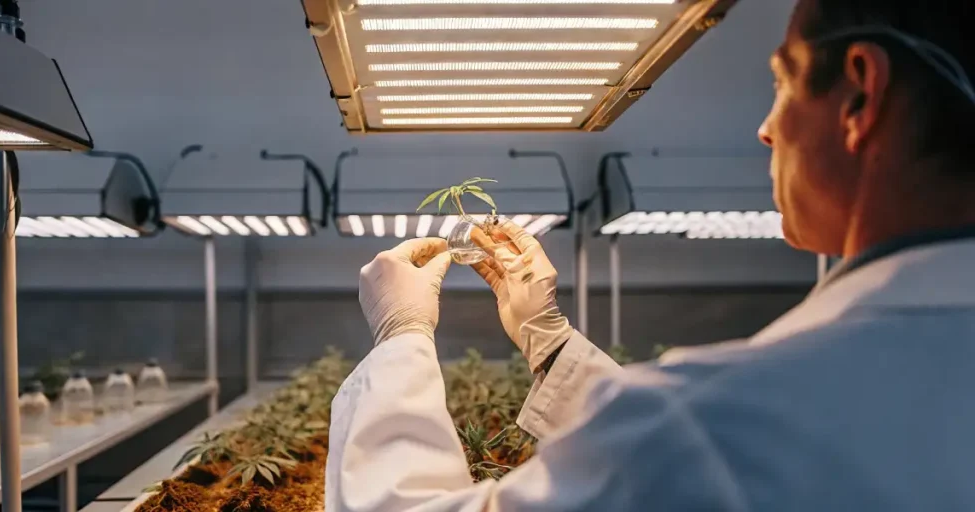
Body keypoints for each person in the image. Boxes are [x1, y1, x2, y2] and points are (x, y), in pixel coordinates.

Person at [327, 0, 975, 509]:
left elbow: (689, 444)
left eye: (781, 82)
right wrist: (546, 340)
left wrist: (400, 339)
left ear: (861, 94)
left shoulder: (732, 421)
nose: (765, 128)